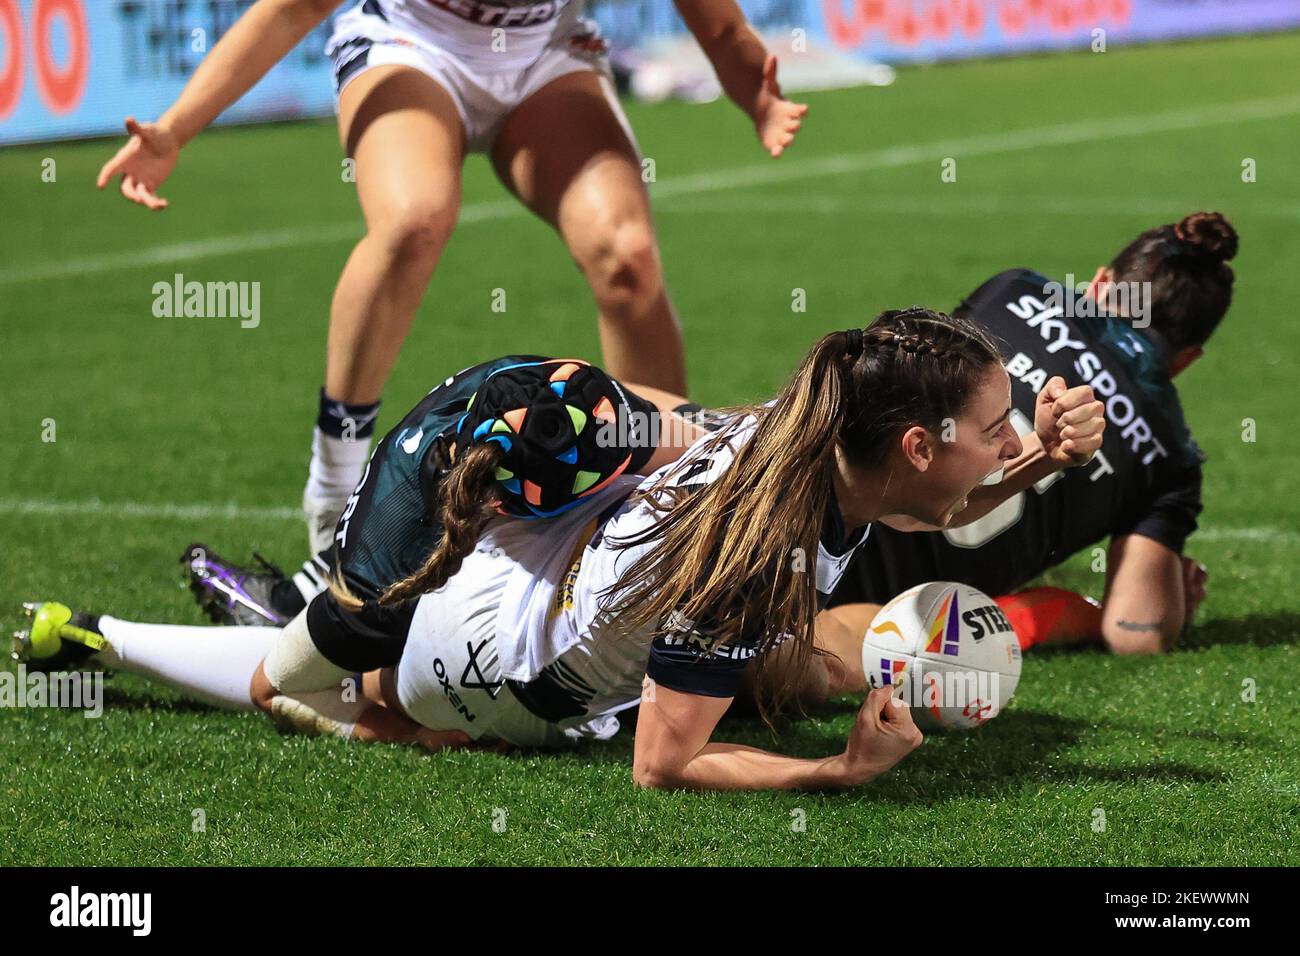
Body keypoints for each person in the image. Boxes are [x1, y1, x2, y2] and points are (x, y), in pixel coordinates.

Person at [16, 310, 1106, 791]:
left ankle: (106, 636)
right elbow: (663, 764)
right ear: (915, 444)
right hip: (495, 658)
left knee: (339, 681)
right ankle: (297, 649)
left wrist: (1038, 461)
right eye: (996, 424)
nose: (1007, 438)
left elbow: (934, 507)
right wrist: (839, 769)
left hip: (535, 561)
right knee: (357, 698)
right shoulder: (751, 563)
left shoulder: (814, 433)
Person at [95, 0, 810, 554]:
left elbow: (713, 24)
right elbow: (295, 9)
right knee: (414, 221)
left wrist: (758, 99)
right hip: (409, 44)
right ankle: (336, 487)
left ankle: (669, 507)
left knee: (627, 257)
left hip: (543, 56)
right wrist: (177, 129)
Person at [808, 212, 1234, 712]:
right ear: (1186, 359)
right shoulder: (1171, 454)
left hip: (833, 481)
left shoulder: (1015, 291)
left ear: (1098, 284)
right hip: (884, 607)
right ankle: (1003, 616)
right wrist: (1164, 605)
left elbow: (912, 377)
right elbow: (1133, 630)